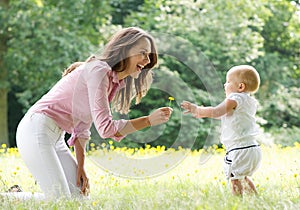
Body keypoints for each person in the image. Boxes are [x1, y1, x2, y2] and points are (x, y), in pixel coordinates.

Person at [8, 27, 173, 200]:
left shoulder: (113, 81)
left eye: (149, 56)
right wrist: (147, 120)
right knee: (58, 200)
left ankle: (16, 196)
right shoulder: (99, 71)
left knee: (79, 198)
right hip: (36, 129)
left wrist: (81, 167)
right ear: (125, 49)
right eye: (143, 53)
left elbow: (82, 126)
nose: (147, 60)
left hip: (56, 138)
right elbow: (106, 128)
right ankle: (8, 197)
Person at [181, 65, 262, 196]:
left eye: (228, 81)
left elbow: (216, 111)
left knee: (235, 180)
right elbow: (220, 114)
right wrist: (203, 113)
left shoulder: (235, 98)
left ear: (240, 87)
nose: (225, 84)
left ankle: (236, 203)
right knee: (243, 177)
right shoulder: (249, 101)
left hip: (239, 149)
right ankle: (256, 200)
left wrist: (197, 109)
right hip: (252, 148)